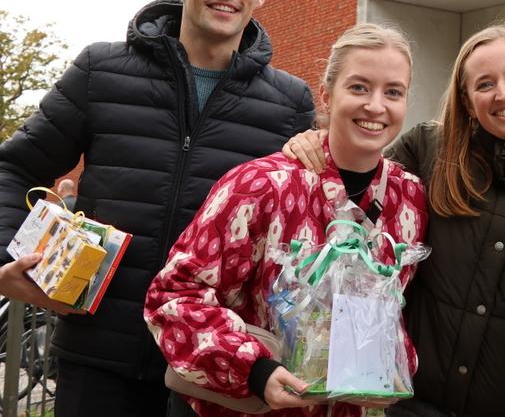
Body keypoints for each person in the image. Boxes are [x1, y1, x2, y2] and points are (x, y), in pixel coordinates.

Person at [0, 0, 315, 417]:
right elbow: (12, 169)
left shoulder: (290, 103)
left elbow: (308, 230)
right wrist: (4, 257)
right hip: (99, 359)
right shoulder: (100, 71)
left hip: (214, 370)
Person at [285, 24, 505, 417]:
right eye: (484, 84)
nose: (503, 94)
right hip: (413, 407)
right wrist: (316, 141)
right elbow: (357, 178)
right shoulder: (429, 150)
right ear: (467, 101)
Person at [146, 23, 428, 417]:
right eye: (359, 87)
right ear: (327, 96)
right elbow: (173, 297)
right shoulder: (261, 185)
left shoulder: (410, 197)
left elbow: (397, 309)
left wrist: (392, 367)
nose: (376, 106)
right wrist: (255, 370)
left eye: (392, 92)